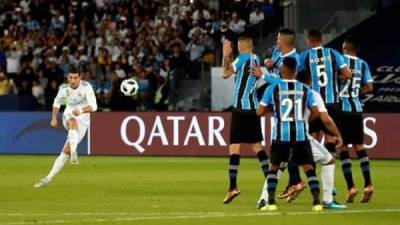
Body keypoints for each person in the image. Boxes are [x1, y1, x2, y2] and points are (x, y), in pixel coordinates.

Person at [252, 65, 346, 209]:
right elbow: (324, 117)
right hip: (302, 137)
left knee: (276, 167)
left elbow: (260, 111)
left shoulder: (276, 88)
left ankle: (265, 200)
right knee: (327, 161)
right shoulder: (310, 92)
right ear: (309, 81)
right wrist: (336, 134)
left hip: (281, 135)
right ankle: (326, 201)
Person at [221, 37, 269, 204]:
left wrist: (225, 55)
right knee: (257, 146)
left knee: (234, 147)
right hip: (253, 108)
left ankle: (233, 186)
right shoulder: (256, 59)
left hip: (241, 109)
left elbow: (225, 74)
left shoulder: (242, 58)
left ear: (241, 47)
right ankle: (270, 183)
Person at [34, 67, 97, 188]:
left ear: (80, 77)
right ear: (67, 78)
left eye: (75, 78)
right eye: (70, 78)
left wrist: (81, 110)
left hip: (83, 121)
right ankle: (74, 152)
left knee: (65, 152)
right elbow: (57, 102)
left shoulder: (86, 87)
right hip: (69, 116)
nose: (73, 80)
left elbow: (94, 106)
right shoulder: (63, 88)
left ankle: (48, 178)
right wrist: (53, 118)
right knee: (72, 121)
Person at [338, 36, 374, 203]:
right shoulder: (363, 64)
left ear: (345, 47)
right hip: (357, 109)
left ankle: (351, 187)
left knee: (343, 148)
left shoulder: (340, 60)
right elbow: (369, 87)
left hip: (342, 110)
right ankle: (368, 184)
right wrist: (357, 94)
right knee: (360, 146)